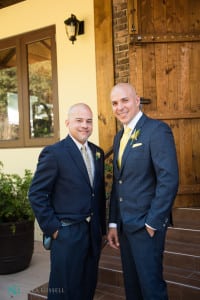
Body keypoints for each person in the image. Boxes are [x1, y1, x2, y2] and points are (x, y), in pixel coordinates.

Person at [107, 83, 179, 300]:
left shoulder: (157, 130)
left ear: (137, 100)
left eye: (124, 100)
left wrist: (152, 223)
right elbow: (118, 183)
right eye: (114, 103)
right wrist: (112, 222)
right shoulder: (119, 137)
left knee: (151, 288)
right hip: (125, 227)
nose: (119, 107)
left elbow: (169, 179)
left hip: (147, 227)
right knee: (132, 287)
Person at [29, 103, 106, 300]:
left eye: (89, 121)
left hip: (92, 234)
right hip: (66, 233)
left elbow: (98, 193)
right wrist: (53, 228)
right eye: (79, 121)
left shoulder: (97, 152)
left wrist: (102, 229)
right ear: (67, 123)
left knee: (87, 287)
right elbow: (36, 194)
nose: (85, 125)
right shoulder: (54, 153)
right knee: (63, 291)